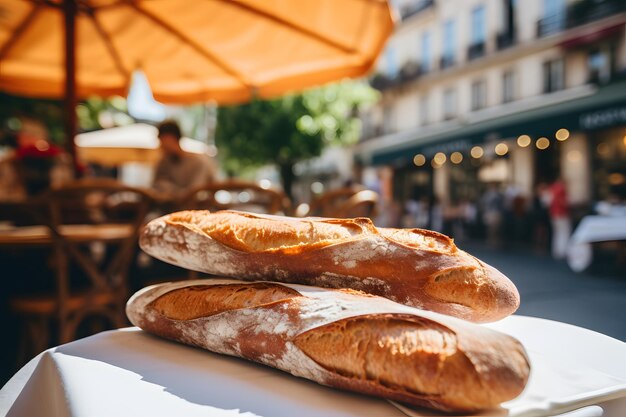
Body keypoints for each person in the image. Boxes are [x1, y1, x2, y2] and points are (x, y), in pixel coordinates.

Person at [152, 120, 217, 197]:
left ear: (170, 138)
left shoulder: (198, 162)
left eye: (162, 141)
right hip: (172, 207)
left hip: (198, 207)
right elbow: (155, 186)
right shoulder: (164, 162)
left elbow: (195, 193)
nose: (161, 146)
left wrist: (169, 190)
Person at [548, 177, 571, 260]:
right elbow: (563, 202)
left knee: (557, 233)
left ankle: (557, 251)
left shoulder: (552, 188)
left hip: (553, 213)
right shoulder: (561, 189)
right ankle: (563, 251)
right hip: (561, 213)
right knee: (564, 233)